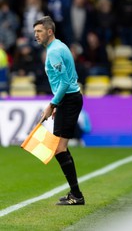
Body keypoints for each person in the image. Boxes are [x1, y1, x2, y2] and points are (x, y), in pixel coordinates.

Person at [33, 16, 84, 205]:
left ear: (49, 31)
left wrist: (52, 104)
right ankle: (75, 193)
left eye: (39, 31)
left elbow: (64, 82)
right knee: (60, 148)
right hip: (68, 99)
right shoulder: (60, 46)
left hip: (68, 100)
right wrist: (58, 103)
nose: (36, 35)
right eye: (34, 32)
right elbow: (72, 76)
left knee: (59, 149)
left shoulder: (54, 52)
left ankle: (77, 195)